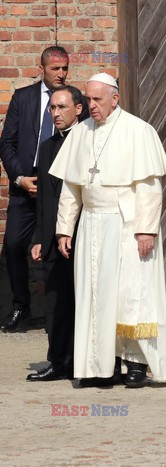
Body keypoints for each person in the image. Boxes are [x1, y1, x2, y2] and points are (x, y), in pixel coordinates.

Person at [49, 72, 166, 388]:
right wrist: (64, 229)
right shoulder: (80, 132)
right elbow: (71, 189)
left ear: (115, 98)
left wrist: (146, 230)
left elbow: (149, 188)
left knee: (130, 296)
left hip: (127, 225)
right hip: (91, 226)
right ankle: (102, 366)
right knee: (95, 297)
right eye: (88, 99)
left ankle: (136, 364)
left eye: (98, 99)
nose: (91, 106)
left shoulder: (139, 131)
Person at [0, 46, 69, 332]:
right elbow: (7, 143)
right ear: (42, 69)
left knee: (62, 248)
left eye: (65, 68)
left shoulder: (73, 99)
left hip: (60, 186)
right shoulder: (24, 97)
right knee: (14, 245)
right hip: (26, 185)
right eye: (56, 69)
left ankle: (65, 312)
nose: (62, 74)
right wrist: (19, 178)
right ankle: (21, 307)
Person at [27, 85, 88, 381]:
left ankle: (82, 361)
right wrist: (40, 236)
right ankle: (58, 360)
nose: (55, 113)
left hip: (83, 236)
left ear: (78, 108)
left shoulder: (89, 140)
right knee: (55, 301)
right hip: (52, 237)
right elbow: (44, 198)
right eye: (52, 108)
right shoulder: (48, 146)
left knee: (81, 301)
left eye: (62, 107)